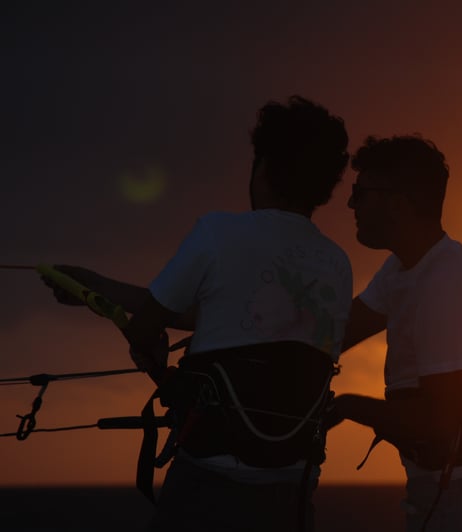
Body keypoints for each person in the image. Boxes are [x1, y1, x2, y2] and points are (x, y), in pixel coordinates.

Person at [44, 95, 352, 532]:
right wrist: (97, 286)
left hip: (210, 484)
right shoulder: (337, 263)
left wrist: (142, 337)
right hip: (292, 492)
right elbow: (232, 317)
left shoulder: (217, 232)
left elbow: (148, 328)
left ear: (262, 166)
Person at [327, 135, 462, 531]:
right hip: (447, 486)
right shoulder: (405, 268)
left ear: (398, 203)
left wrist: (346, 407)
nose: (351, 204)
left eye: (361, 193)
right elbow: (333, 335)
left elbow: (438, 426)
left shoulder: (443, 283)